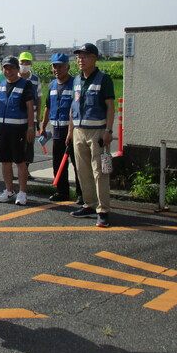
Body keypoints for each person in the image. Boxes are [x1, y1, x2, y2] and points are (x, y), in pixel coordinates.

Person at [67, 43, 116, 228]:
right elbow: (73, 107)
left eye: (85, 56)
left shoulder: (104, 79)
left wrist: (109, 131)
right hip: (79, 131)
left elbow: (111, 106)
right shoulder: (77, 81)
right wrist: (70, 131)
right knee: (82, 170)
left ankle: (103, 210)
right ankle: (89, 204)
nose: (81, 60)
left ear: (95, 58)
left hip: (97, 132)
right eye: (79, 56)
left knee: (100, 172)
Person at [0, 56, 35, 206]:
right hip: (3, 129)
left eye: (12, 68)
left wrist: (31, 127)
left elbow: (30, 108)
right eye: (6, 68)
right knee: (5, 161)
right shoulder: (0, 85)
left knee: (20, 162)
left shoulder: (25, 85)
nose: (9, 71)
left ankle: (22, 192)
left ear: (17, 69)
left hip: (19, 129)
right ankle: (8, 190)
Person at [39, 53, 83, 203]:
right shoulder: (52, 85)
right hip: (56, 130)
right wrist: (43, 125)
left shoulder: (75, 83)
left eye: (60, 66)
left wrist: (71, 131)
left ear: (67, 67)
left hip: (72, 130)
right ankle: (62, 192)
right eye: (54, 66)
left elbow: (75, 108)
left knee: (77, 163)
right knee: (58, 163)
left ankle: (81, 194)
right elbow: (47, 106)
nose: (57, 69)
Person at [18, 52, 41, 178]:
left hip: (31, 118)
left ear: (31, 63)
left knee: (28, 145)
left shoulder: (36, 80)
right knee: (16, 145)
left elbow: (39, 99)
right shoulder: (14, 77)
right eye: (22, 62)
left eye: (27, 62)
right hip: (17, 117)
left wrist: (38, 119)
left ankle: (25, 170)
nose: (24, 65)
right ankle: (17, 170)